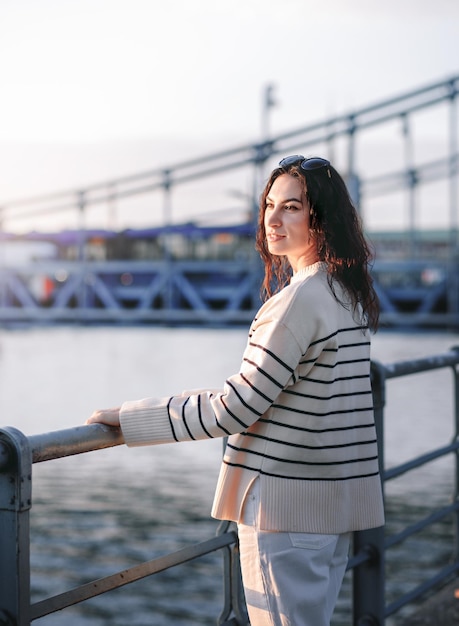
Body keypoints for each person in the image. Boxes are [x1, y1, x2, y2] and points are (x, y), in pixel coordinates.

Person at [86, 155, 385, 626]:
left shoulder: (298, 302)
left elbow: (235, 408)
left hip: (283, 513)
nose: (272, 218)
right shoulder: (345, 294)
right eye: (269, 205)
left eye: (291, 207)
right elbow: (266, 391)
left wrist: (131, 420)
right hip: (329, 510)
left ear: (321, 218)